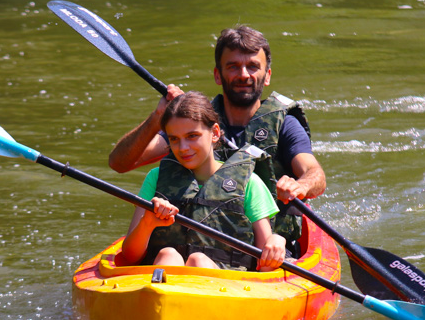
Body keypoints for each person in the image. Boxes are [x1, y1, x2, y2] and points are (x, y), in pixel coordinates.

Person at [109, 25, 325, 255]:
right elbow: (121, 163)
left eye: (252, 66)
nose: (243, 74)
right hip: (189, 243)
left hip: (268, 243)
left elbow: (315, 174)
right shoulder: (194, 124)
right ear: (217, 75)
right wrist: (158, 117)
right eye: (233, 66)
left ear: (267, 75)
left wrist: (300, 185)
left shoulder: (284, 124)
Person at [118, 91, 286, 272]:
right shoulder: (155, 178)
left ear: (214, 133)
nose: (183, 148)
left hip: (227, 287)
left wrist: (277, 241)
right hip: (162, 279)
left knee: (199, 261)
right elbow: (129, 256)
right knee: (168, 255)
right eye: (174, 139)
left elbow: (265, 266)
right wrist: (147, 223)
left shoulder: (250, 183)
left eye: (192, 136)